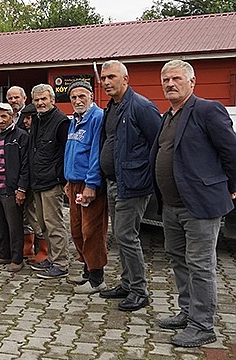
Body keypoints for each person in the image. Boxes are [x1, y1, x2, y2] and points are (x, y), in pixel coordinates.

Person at [153, 60, 236, 347]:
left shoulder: (207, 110)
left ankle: (203, 325)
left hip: (199, 206)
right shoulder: (168, 116)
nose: (170, 84)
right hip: (172, 206)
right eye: (165, 80)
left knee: (201, 265)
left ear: (192, 81)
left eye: (176, 78)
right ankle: (188, 312)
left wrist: (232, 188)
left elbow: (231, 151)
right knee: (178, 260)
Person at [97, 60, 161, 312]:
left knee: (126, 235)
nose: (106, 82)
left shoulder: (142, 107)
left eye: (112, 76)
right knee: (121, 237)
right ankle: (127, 282)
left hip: (133, 183)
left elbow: (159, 145)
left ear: (126, 79)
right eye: (103, 78)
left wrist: (146, 178)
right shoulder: (111, 108)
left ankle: (139, 290)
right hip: (114, 181)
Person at [63, 81, 109, 294]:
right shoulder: (75, 119)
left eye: (82, 96)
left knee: (92, 230)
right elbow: (71, 151)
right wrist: (67, 180)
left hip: (88, 184)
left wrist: (91, 184)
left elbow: (95, 154)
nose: (77, 100)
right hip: (73, 183)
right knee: (76, 229)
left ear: (91, 96)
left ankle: (97, 278)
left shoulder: (97, 118)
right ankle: (87, 271)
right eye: (73, 97)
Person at [28, 84, 71, 280]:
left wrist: (62, 179)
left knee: (54, 224)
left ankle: (61, 263)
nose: (40, 103)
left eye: (43, 99)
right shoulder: (37, 120)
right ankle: (52, 257)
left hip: (52, 182)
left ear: (52, 100)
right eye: (36, 100)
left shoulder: (61, 121)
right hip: (37, 180)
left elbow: (65, 153)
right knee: (43, 224)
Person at [0, 103, 29, 272]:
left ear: (12, 116)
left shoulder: (21, 136)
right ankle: (3, 255)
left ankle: (17, 259)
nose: (0, 120)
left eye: (4, 116)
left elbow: (25, 165)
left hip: (11, 189)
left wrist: (22, 188)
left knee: (14, 226)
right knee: (0, 225)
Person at [18, 104, 48, 265]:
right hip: (26, 181)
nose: (26, 121)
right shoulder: (27, 134)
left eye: (29, 118)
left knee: (37, 217)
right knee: (27, 217)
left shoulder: (39, 134)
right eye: (25, 118)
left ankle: (43, 250)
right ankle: (28, 248)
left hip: (39, 181)